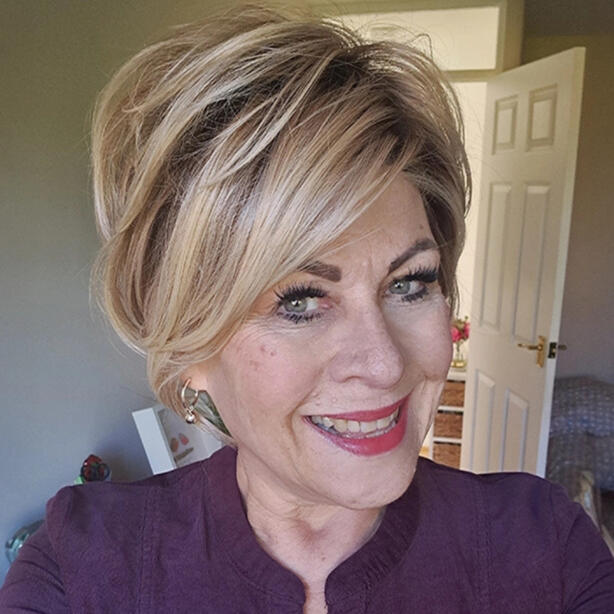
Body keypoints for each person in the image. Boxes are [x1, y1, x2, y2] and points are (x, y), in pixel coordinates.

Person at [1, 5, 613, 613]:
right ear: (189, 348)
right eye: (298, 301)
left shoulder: (545, 550)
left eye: (410, 284)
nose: (384, 364)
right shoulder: (82, 569)